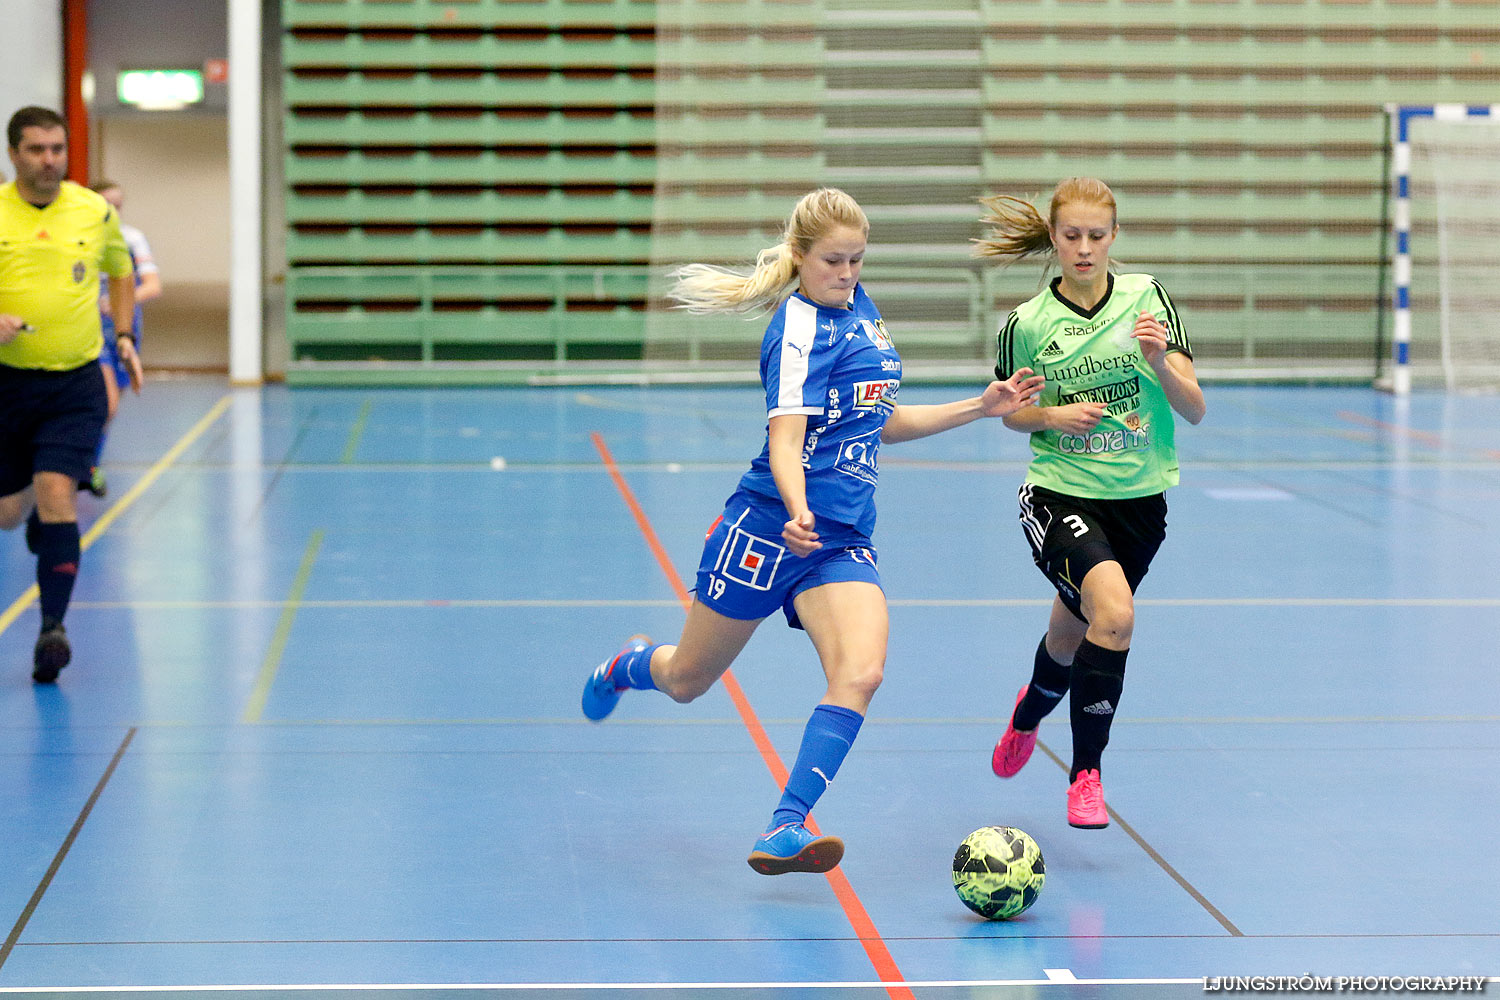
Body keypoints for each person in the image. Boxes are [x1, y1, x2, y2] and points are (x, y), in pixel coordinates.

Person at [580, 188, 1046, 875]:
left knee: (862, 671)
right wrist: (797, 508)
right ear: (800, 258)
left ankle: (785, 825)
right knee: (686, 680)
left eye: (858, 260)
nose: (849, 273)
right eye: (834, 260)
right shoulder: (795, 332)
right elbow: (785, 438)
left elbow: (880, 422)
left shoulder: (863, 313)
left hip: (841, 540)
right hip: (768, 530)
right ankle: (627, 664)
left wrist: (979, 406)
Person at [974, 177, 1206, 829]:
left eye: (1096, 236)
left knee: (1072, 634)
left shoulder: (1147, 300)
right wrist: (1052, 412)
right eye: (1070, 235)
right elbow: (1011, 417)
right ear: (1053, 237)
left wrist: (1161, 364)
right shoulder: (1027, 324)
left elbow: (1194, 410)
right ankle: (1086, 775)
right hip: (1058, 494)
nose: (1083, 248)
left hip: (1140, 507)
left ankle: (1028, 713)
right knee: (1117, 614)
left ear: (1114, 238)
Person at [0, 106, 140, 682]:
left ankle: (52, 629)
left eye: (57, 148)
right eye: (36, 149)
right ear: (14, 154)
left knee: (59, 490)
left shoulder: (92, 208)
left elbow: (121, 271)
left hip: (75, 381)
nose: (49, 159)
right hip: (8, 384)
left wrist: (126, 335)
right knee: (10, 513)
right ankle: (32, 509)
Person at [84, 179, 161, 498]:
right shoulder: (81, 236)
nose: (114, 211)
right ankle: (86, 466)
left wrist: (121, 302)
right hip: (91, 332)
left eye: (118, 205)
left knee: (115, 400)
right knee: (107, 406)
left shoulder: (131, 238)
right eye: (107, 204)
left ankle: (90, 462)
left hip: (125, 329)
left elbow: (152, 285)